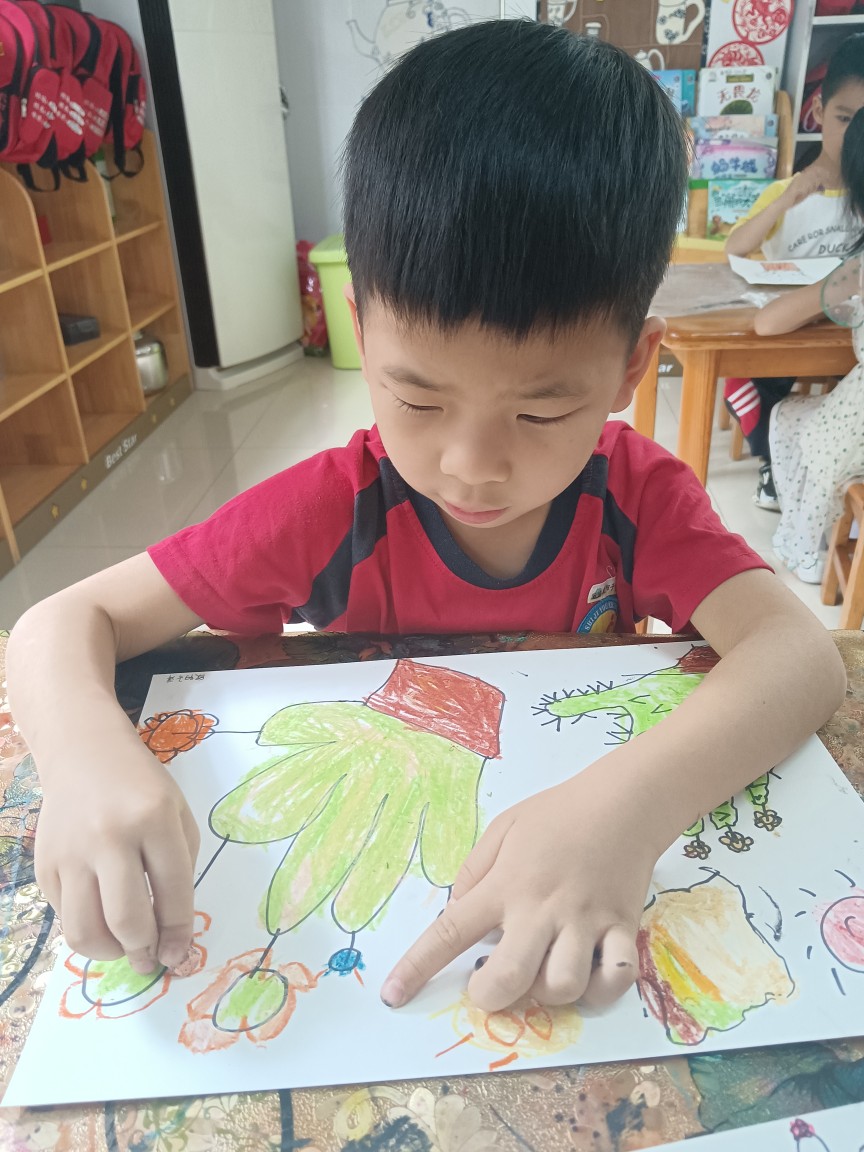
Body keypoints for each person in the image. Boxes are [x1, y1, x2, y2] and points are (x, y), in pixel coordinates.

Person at [6, 21, 845, 1018]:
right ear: (363, 335)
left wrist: (626, 809)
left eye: (541, 412)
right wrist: (84, 760)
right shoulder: (329, 510)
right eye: (418, 398)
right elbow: (61, 622)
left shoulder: (637, 498)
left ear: (631, 367)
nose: (471, 465)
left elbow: (802, 656)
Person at [723, 34, 864, 511]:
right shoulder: (790, 192)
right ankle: (773, 461)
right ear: (819, 112)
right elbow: (736, 248)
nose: (853, 137)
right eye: (844, 119)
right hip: (790, 331)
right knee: (741, 378)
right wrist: (786, 199)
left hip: (847, 343)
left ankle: (813, 466)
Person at [752, 107, 864, 585]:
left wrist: (825, 299)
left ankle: (809, 549)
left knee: (792, 418)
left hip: (856, 424)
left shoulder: (856, 269)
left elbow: (767, 323)